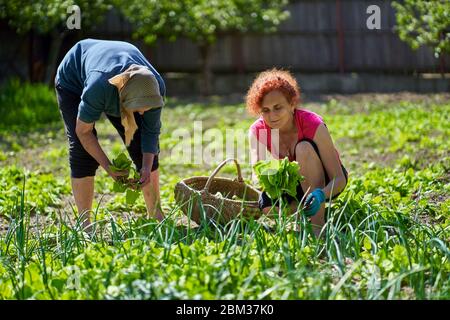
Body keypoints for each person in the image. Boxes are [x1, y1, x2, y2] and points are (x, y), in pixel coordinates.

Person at [55, 39, 165, 230]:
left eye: (146, 109)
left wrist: (146, 167)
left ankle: (156, 215)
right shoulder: (99, 88)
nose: (142, 114)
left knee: (141, 145)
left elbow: (151, 133)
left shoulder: (154, 88)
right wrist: (108, 167)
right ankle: (85, 225)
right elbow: (84, 132)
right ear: (123, 101)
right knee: (82, 152)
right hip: (73, 80)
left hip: (116, 79)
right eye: (138, 109)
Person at [247, 69, 348, 234]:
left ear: (292, 104)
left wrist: (321, 194)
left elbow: (339, 179)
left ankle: (318, 227)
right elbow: (255, 174)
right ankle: (298, 218)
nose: (272, 116)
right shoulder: (258, 131)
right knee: (265, 205)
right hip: (292, 186)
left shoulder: (312, 124)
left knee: (303, 148)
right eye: (265, 110)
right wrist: (267, 177)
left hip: (324, 183)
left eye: (278, 107)